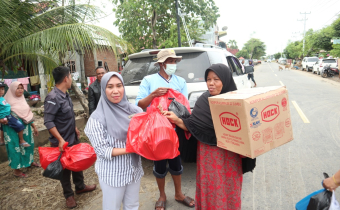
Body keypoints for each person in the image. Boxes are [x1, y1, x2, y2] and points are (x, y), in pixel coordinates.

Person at [162, 64, 244, 209]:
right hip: (209, 155)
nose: (211, 83)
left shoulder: (237, 101)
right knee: (211, 187)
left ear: (225, 80)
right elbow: (193, 125)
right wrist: (175, 119)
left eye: (216, 79)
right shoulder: (204, 100)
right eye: (208, 79)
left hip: (231, 154)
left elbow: (246, 131)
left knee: (230, 186)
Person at [135, 48, 194, 210]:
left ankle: (179, 194)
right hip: (157, 131)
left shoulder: (180, 82)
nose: (173, 64)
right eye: (170, 61)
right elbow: (140, 104)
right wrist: (153, 95)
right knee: (159, 164)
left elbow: (185, 108)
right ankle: (162, 195)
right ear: (161, 63)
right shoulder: (149, 80)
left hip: (175, 130)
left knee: (176, 162)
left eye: (174, 61)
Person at [85, 72, 144, 210]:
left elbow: (145, 134)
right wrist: (130, 148)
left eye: (119, 86)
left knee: (132, 205)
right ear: (104, 90)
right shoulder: (97, 118)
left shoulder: (135, 111)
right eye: (110, 87)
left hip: (133, 169)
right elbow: (102, 150)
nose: (116, 91)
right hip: (113, 174)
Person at [44, 66, 96, 209]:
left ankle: (80, 186)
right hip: (61, 142)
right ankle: (69, 195)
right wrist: (60, 139)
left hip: (71, 137)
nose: (71, 80)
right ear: (66, 78)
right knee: (65, 169)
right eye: (71, 77)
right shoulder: (52, 97)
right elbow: (48, 122)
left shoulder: (65, 94)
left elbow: (66, 116)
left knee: (77, 162)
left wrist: (74, 128)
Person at [1, 81, 40, 178]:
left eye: (21, 88)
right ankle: (17, 170)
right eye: (18, 88)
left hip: (25, 128)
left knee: (28, 146)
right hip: (11, 130)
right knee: (15, 147)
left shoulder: (22, 100)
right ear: (12, 89)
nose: (20, 90)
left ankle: (29, 161)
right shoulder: (5, 101)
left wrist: (34, 126)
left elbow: (27, 115)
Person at [0, 82, 30, 147]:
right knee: (20, 126)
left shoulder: (2, 98)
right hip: (7, 116)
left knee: (2, 128)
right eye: (17, 88)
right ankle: (21, 140)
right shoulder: (6, 98)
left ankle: (1, 140)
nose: (1, 91)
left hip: (6, 116)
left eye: (2, 89)